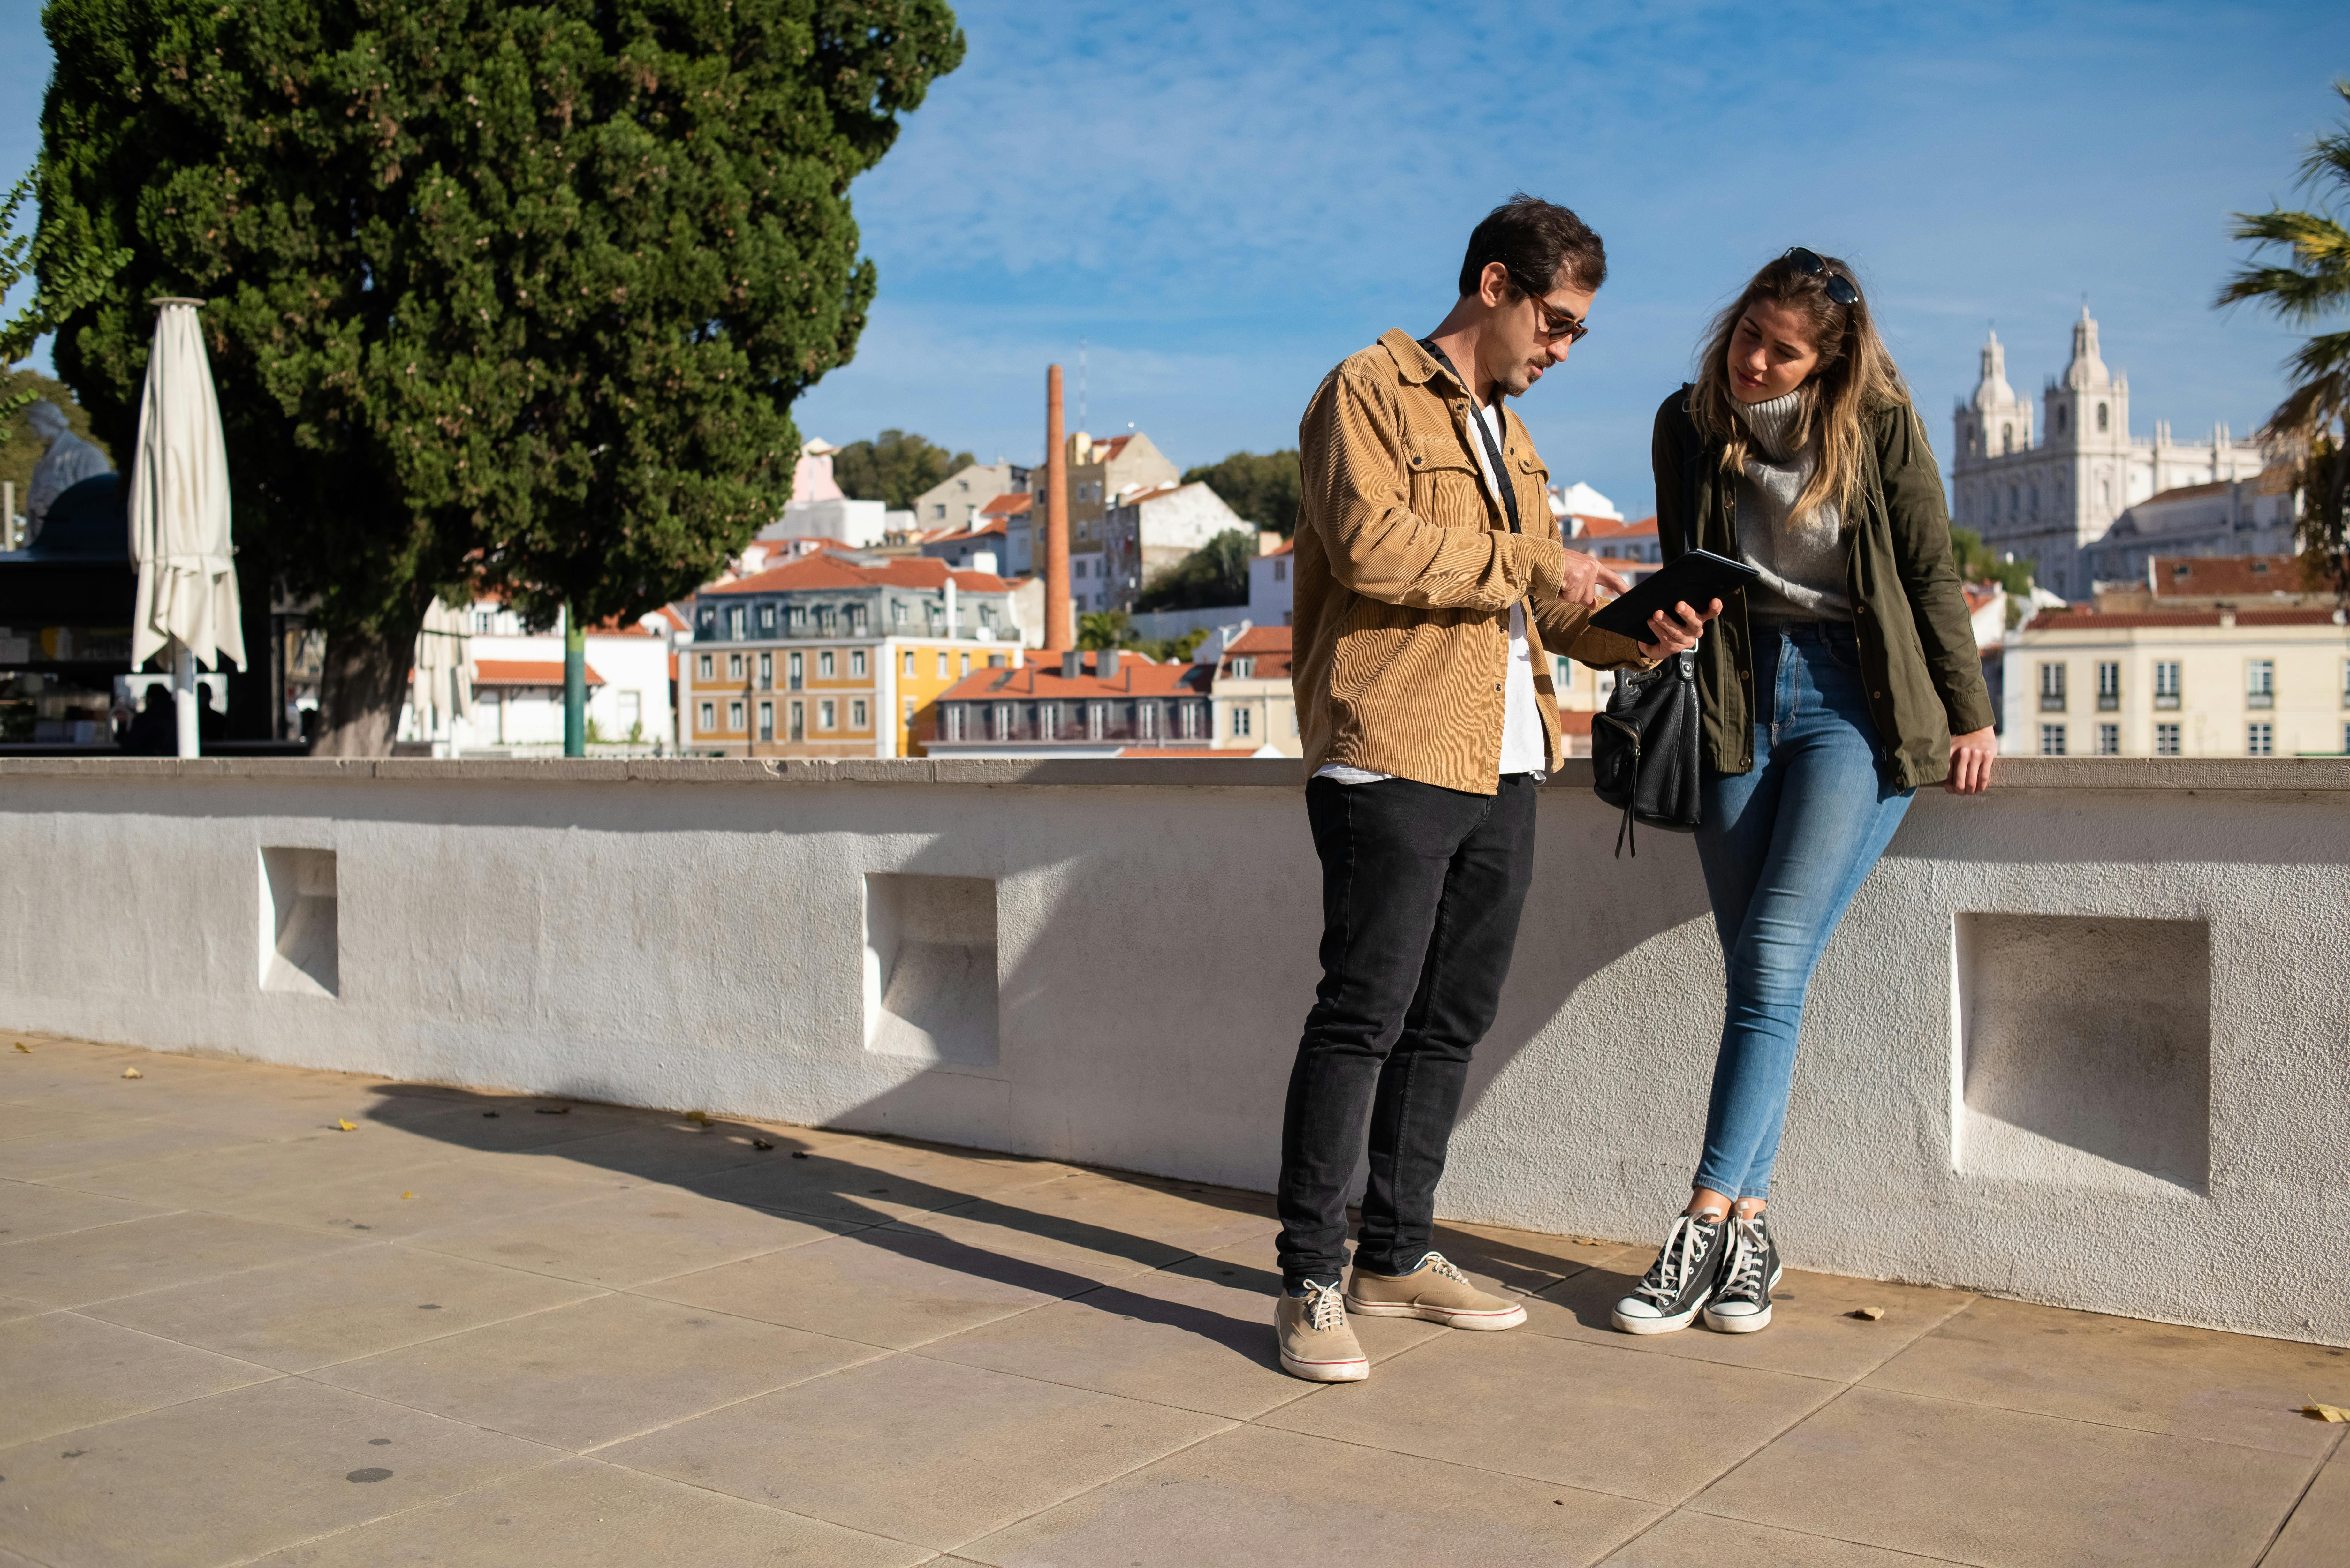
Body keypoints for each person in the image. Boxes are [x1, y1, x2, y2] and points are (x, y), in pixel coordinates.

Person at [1278, 195, 1717, 1383]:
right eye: (1558, 323)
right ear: (1493, 285)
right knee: (1362, 1018)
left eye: (1576, 333)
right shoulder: (1364, 391)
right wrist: (1534, 558)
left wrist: (1637, 631)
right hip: (1394, 746)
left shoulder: (1509, 436)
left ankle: (1397, 1254)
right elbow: (1374, 549)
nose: (1562, 350)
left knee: (1450, 1020)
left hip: (1508, 754)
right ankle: (1312, 1279)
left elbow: (1541, 607)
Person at [1611, 249, 1997, 1338]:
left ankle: (1698, 1225)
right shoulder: (1685, 423)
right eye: (1748, 335)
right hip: (1734, 697)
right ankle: (1756, 1233)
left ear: (1827, 362)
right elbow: (1684, 556)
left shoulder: (1877, 429)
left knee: (1774, 957)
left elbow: (1927, 570)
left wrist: (1967, 713)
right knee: (1759, 975)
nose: (1755, 360)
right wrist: (1669, 620)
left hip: (1853, 700)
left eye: (1783, 350)